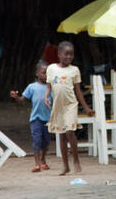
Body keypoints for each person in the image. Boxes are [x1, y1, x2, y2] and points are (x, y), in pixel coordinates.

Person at [45, 40, 92, 176]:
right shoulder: (51, 68)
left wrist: (86, 108)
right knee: (61, 136)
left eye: (71, 55)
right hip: (58, 106)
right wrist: (46, 96)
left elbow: (78, 92)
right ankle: (65, 166)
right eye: (66, 54)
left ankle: (76, 159)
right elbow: (49, 86)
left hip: (70, 105)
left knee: (70, 132)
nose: (69, 57)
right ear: (59, 54)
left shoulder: (74, 70)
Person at [10, 65, 54, 172]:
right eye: (44, 72)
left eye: (48, 73)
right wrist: (16, 97)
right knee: (37, 140)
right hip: (36, 118)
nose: (46, 75)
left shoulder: (52, 87)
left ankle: (43, 159)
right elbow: (22, 100)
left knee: (46, 141)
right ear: (37, 74)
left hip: (48, 119)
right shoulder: (32, 87)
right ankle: (37, 163)